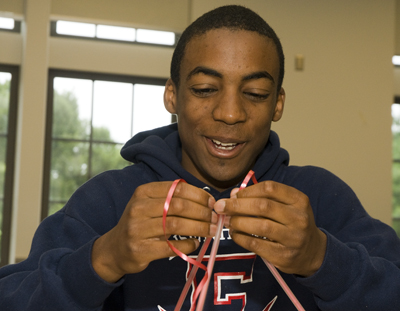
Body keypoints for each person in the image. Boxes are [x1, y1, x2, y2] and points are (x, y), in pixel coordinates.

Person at [1, 5, 400, 310]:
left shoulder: (319, 197)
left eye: (256, 94)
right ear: (171, 96)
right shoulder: (111, 200)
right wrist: (104, 258)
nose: (230, 113)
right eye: (206, 89)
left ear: (278, 103)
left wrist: (323, 258)